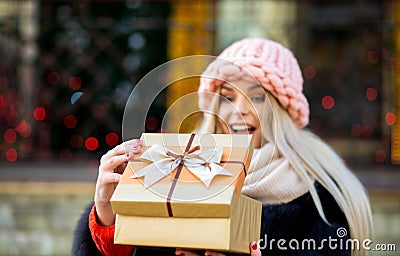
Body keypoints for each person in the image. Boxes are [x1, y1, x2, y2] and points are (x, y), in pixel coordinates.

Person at [72, 38, 373, 256]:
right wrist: (109, 216)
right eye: (228, 95)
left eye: (257, 97)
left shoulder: (322, 198)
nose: (239, 109)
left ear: (283, 109)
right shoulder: (177, 176)